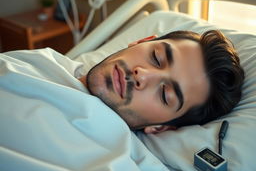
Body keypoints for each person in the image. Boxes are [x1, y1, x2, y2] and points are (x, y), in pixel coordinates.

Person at [79, 29, 244, 134]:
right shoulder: (54, 63)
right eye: (156, 57)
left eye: (165, 94)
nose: (141, 76)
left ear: (160, 127)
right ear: (142, 41)